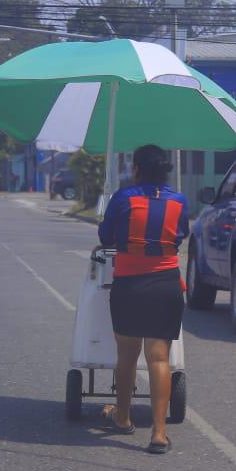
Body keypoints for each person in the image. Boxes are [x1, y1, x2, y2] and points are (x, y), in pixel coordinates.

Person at [96, 144, 188, 454]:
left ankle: (122, 417)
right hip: (166, 284)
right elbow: (179, 235)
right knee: (159, 357)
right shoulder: (179, 201)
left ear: (136, 169)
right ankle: (159, 435)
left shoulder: (123, 198)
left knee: (127, 354)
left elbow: (106, 237)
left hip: (130, 284)